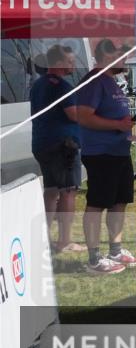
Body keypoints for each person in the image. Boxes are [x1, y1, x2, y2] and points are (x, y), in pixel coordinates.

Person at [76, 39, 136, 275]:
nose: (125, 59)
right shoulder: (94, 81)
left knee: (119, 202)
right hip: (100, 153)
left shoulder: (111, 81)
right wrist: (117, 124)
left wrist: (127, 126)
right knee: (97, 203)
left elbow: (117, 119)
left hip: (118, 151)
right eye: (120, 55)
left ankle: (116, 250)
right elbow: (84, 117)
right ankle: (94, 259)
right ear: (105, 56)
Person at [30, 44, 86, 254]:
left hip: (42, 143)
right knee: (68, 191)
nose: (73, 65)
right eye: (70, 61)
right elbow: (74, 114)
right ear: (58, 63)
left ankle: (45, 237)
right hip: (63, 146)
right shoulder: (62, 86)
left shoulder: (38, 85)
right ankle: (65, 241)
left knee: (51, 191)